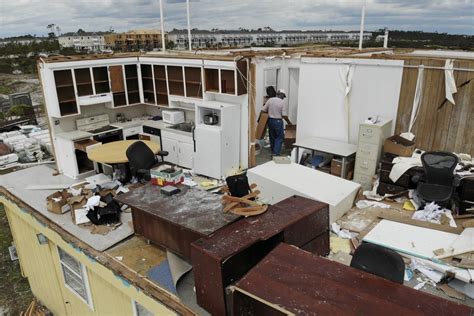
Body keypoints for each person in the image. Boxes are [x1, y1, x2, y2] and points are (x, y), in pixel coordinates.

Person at [262, 88, 292, 156]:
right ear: (282, 95)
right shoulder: (282, 102)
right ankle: (275, 153)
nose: (283, 98)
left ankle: (273, 150)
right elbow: (284, 115)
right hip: (278, 122)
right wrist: (289, 122)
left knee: (272, 136)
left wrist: (260, 121)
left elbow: (263, 110)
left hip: (270, 121)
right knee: (279, 137)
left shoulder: (270, 100)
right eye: (283, 96)